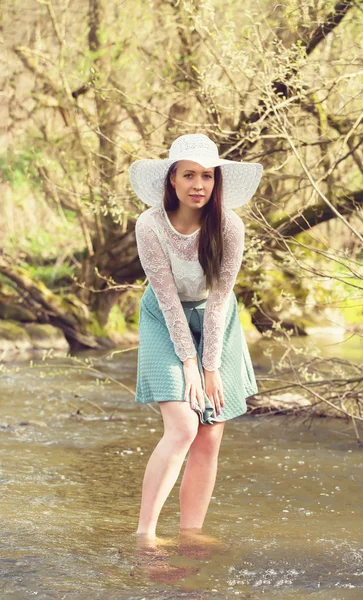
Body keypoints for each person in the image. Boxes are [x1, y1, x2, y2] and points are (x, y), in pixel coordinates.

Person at [128, 133, 263, 538]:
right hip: (163, 319)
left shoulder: (229, 226)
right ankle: (146, 535)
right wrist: (189, 363)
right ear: (172, 179)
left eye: (207, 176)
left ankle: (190, 538)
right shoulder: (150, 225)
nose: (198, 185)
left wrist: (210, 366)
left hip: (217, 321)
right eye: (189, 175)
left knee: (210, 431)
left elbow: (221, 299)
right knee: (184, 426)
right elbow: (168, 300)